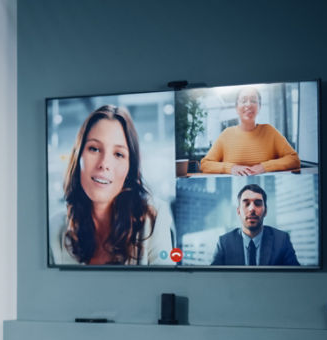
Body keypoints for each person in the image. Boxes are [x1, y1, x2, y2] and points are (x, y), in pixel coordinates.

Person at [49, 104, 173, 266]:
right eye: (94, 149)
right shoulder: (55, 228)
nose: (104, 164)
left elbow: (164, 285)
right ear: (78, 156)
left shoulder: (155, 218)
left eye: (119, 154)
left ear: (130, 167)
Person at [200, 87, 301, 176]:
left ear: (259, 107)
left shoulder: (269, 131)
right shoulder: (227, 134)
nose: (248, 104)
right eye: (243, 101)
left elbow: (294, 159)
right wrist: (231, 168)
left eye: (253, 100)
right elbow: (205, 164)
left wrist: (264, 167)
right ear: (236, 108)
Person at [210, 184, 300, 266]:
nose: (252, 208)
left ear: (265, 211)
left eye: (258, 203)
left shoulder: (281, 240)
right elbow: (212, 278)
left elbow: (296, 277)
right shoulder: (224, 243)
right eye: (246, 203)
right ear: (238, 211)